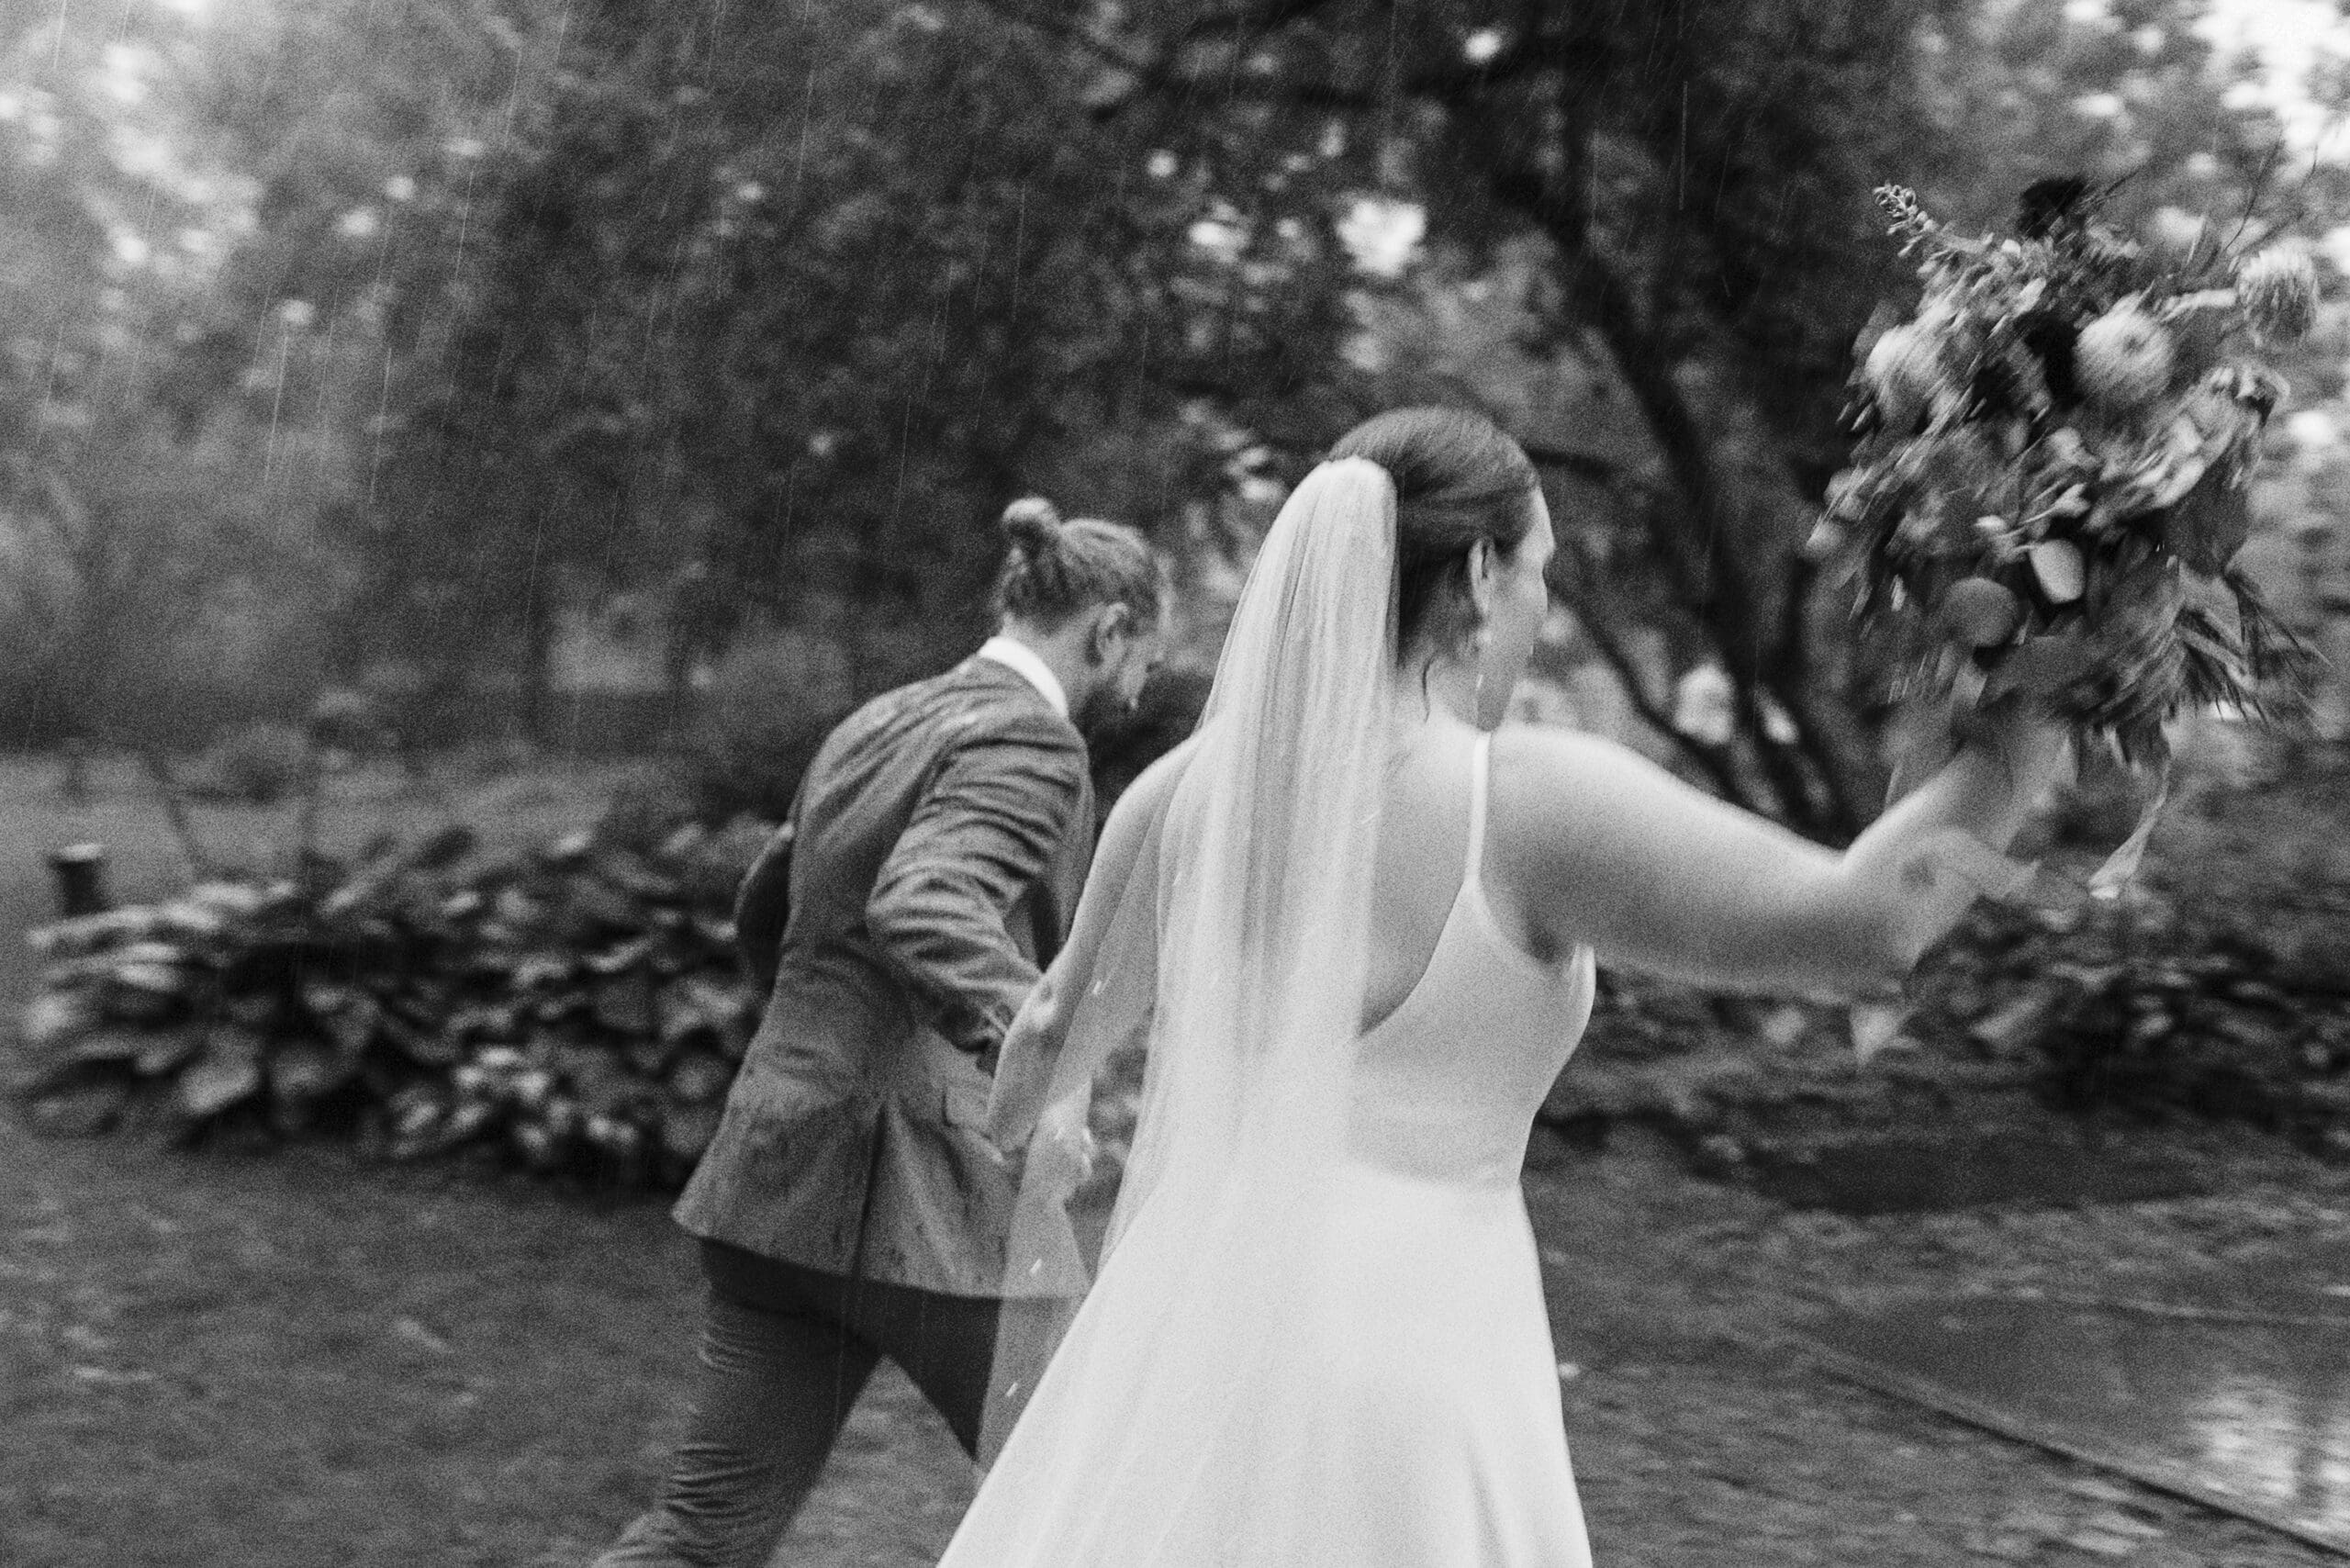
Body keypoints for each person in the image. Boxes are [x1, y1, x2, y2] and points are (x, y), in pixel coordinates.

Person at [944, 407, 2070, 1566]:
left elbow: (1039, 1043)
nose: (1537, 609)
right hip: (1414, 1362)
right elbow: (1866, 930)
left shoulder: (1181, 799)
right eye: (1538, 572)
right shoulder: (1523, 804)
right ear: (1478, 575)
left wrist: (1050, 1118)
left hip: (1192, 1344)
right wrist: (2041, 711)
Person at [589, 498, 1168, 1568]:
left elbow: (767, 904)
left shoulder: (879, 720)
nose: (1135, 693)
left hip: (779, 1176)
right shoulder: (1034, 744)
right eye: (1142, 661)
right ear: (1109, 629)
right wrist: (1040, 1070)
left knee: (701, 1535)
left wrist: (816, 1062)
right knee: (1116, 1495)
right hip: (933, 1197)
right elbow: (924, 903)